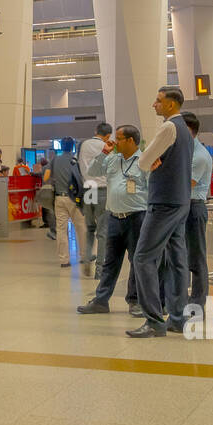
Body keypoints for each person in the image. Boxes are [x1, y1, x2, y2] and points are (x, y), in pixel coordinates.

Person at [126, 88, 194, 337]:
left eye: (158, 101)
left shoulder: (169, 128)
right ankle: (177, 317)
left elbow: (144, 161)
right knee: (177, 261)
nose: (153, 104)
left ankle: (154, 320)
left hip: (163, 202)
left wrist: (149, 161)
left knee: (143, 258)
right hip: (180, 201)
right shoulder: (186, 130)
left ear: (171, 105)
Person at [77, 124, 146, 316]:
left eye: (119, 138)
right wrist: (104, 152)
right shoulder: (113, 159)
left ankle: (135, 301)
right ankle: (101, 300)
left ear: (131, 141)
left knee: (136, 261)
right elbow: (92, 170)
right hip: (114, 216)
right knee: (110, 262)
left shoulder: (144, 160)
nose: (114, 142)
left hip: (137, 217)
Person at [184, 114, 213, 319]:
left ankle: (198, 302)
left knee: (196, 257)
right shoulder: (185, 152)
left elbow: (186, 185)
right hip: (182, 207)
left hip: (194, 208)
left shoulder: (199, 155)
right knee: (181, 256)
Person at [46, 138, 87, 272]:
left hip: (59, 198)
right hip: (75, 199)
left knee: (62, 229)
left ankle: (64, 260)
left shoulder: (55, 160)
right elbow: (82, 178)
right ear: (73, 147)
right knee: (81, 227)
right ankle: (83, 255)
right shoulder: (76, 160)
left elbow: (46, 177)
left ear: (61, 147)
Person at [77, 122, 113, 273]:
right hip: (102, 190)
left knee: (90, 228)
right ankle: (99, 268)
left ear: (95, 130)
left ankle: (86, 259)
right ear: (107, 136)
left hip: (88, 188)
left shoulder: (84, 144)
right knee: (103, 231)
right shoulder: (106, 147)